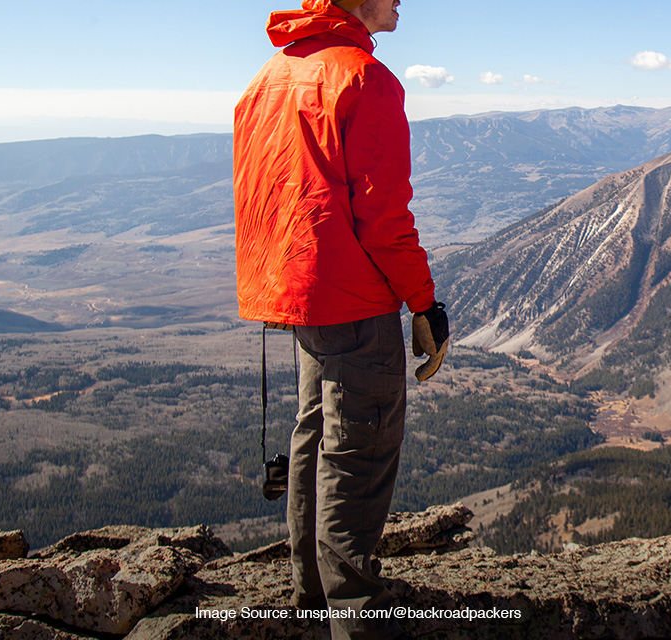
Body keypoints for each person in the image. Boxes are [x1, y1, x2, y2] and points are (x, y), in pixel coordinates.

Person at [233, 0, 449, 638]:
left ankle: (309, 605)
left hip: (301, 298)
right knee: (356, 455)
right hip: (355, 302)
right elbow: (383, 218)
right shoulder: (364, 79)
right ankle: (353, 620)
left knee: (314, 438)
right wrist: (424, 303)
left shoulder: (269, 77)